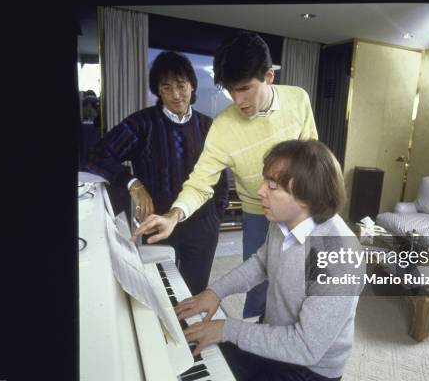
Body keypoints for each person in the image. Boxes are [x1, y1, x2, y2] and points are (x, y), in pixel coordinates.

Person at [131, 32, 319, 318]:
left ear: (268, 76)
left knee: (300, 280)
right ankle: (255, 349)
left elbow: (312, 156)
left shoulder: (298, 99)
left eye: (244, 88)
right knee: (258, 283)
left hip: (300, 208)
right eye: (231, 90)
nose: (237, 100)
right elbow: (200, 182)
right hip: (258, 213)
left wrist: (310, 206)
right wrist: (174, 215)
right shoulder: (223, 127)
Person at [172, 140, 365, 381]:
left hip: (311, 372)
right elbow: (262, 263)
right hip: (273, 336)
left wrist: (227, 328)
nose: (260, 191)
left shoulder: (340, 255)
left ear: (306, 196)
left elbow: (305, 347)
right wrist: (215, 292)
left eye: (272, 186)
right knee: (195, 354)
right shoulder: (282, 219)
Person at [84, 51, 228, 295]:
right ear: (157, 91)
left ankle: (188, 334)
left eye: (181, 86)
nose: (175, 94)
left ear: (192, 86)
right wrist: (132, 183)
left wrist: (217, 214)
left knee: (194, 291)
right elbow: (96, 156)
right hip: (157, 222)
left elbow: (220, 175)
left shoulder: (208, 126)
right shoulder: (141, 124)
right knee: (161, 290)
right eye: (166, 87)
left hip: (202, 225)